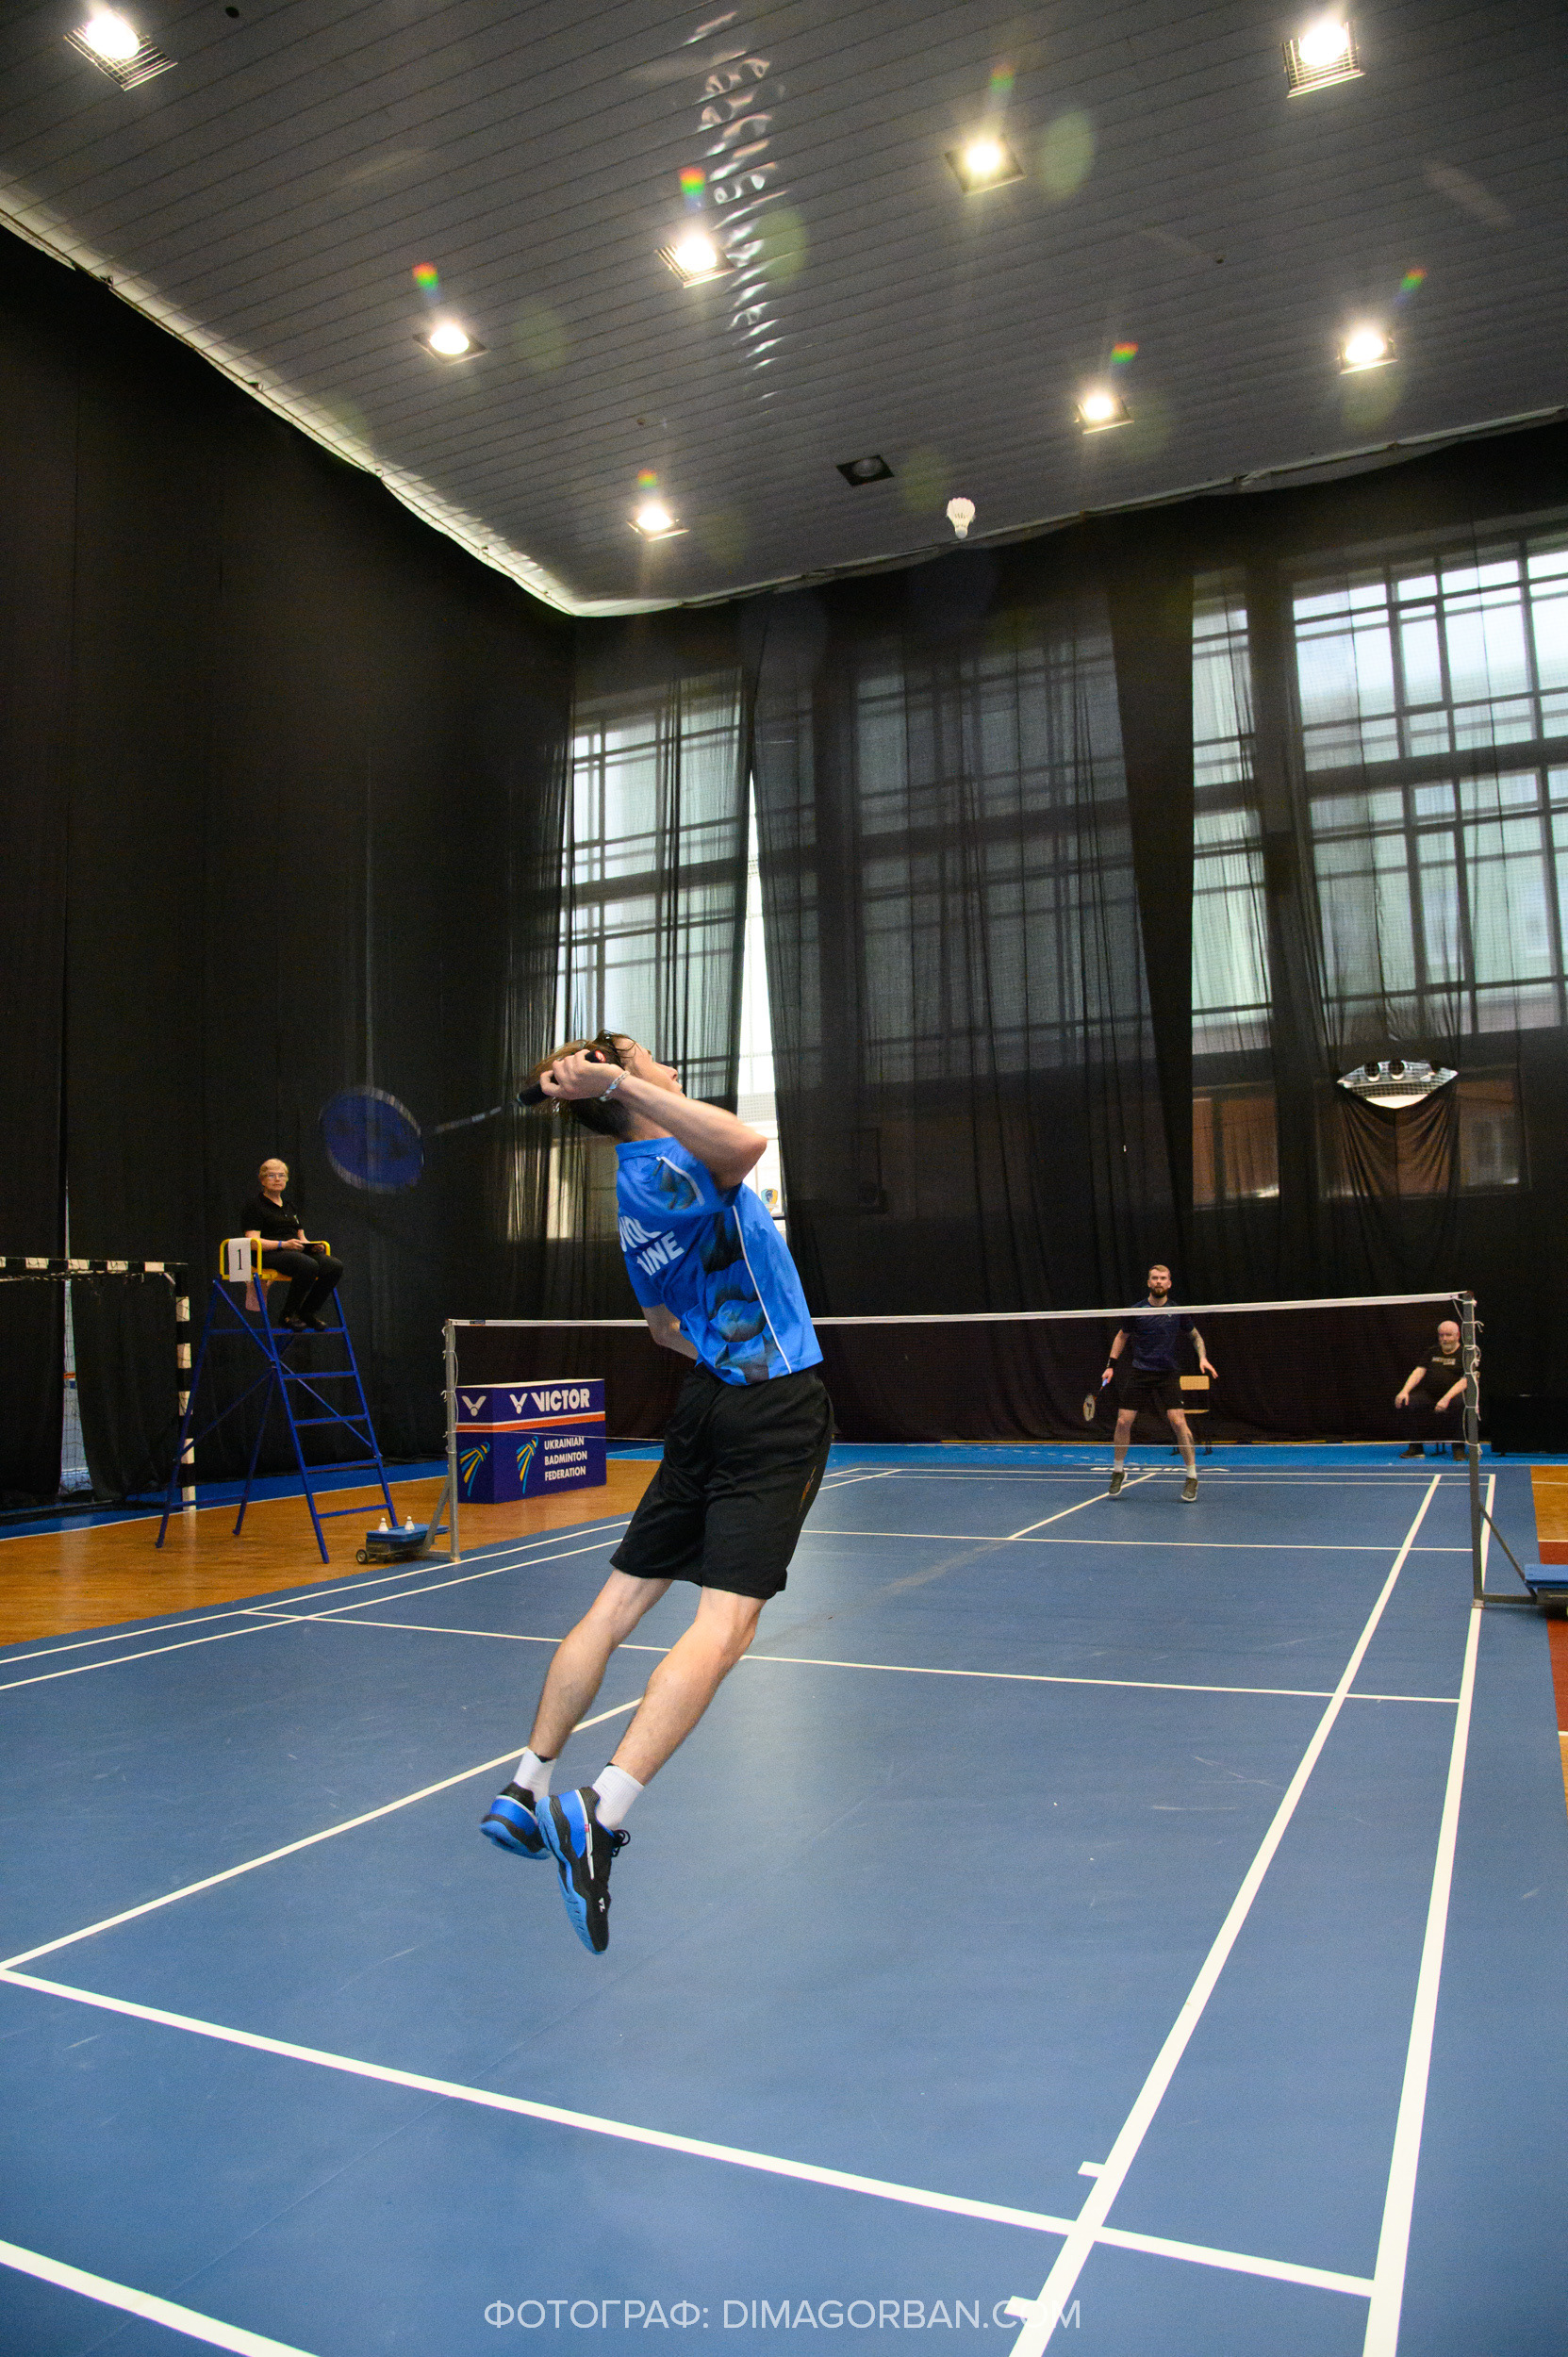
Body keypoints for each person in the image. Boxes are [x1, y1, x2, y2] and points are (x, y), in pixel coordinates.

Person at [481, 1030, 834, 1955]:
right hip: (770, 1404)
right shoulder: (674, 1162)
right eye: (649, 1057)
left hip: (706, 1400)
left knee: (616, 1605)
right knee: (725, 1626)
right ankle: (599, 1811)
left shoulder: (633, 1189)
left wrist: (723, 1337)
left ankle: (525, 1786)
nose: (670, 1066)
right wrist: (615, 1082)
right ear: (623, 1082)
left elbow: (662, 1327)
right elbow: (746, 1143)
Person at [1101, 1264, 1217, 1503]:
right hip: (1140, 1371)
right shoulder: (1136, 1311)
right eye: (1154, 1278)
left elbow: (1195, 1336)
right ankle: (1118, 1471)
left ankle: (1192, 1476)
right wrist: (1111, 1365)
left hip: (1167, 1373)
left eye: (1163, 1278)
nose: (1159, 1282)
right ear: (1149, 1282)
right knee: (1123, 1421)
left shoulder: (1177, 1310)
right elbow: (1122, 1336)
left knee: (1178, 1422)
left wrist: (1203, 1358)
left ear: (1169, 1283)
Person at [240, 1159, 343, 1331]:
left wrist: (312, 1246)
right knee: (307, 1264)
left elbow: (301, 1237)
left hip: (293, 1250)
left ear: (287, 1179)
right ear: (262, 1180)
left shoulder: (289, 1207)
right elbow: (253, 1242)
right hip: (268, 1253)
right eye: (271, 1175)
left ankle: (307, 1312)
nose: (277, 1179)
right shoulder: (255, 1206)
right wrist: (283, 1244)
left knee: (334, 1266)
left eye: (281, 1175)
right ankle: (288, 1315)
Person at [1395, 1318, 1467, 1459]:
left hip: (1454, 1396)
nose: (1444, 1339)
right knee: (1406, 1402)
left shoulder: (1465, 1354)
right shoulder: (1432, 1351)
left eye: (1448, 1335)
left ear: (1457, 1335)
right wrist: (1404, 1391)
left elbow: (1466, 1380)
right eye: (1441, 1335)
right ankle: (1416, 1448)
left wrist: (1446, 1398)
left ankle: (1458, 1449)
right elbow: (1419, 1371)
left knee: (1460, 1404)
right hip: (1431, 1394)